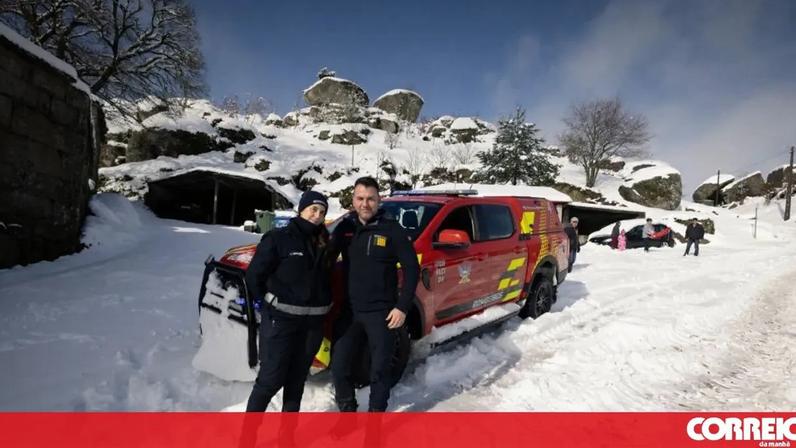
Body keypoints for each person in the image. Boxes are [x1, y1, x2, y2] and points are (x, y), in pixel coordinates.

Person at [328, 176, 420, 412]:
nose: (365, 204)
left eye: (370, 199)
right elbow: (324, 258)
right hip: (350, 312)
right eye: (360, 198)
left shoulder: (392, 230)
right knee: (339, 367)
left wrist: (402, 306)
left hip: (382, 313)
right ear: (353, 200)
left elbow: (411, 268)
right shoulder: (346, 228)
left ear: (379, 201)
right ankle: (347, 414)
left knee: (379, 372)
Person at [244, 190, 332, 412]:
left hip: (312, 326)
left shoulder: (324, 242)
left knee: (296, 381)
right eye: (313, 209)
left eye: (322, 212)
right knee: (269, 381)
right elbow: (254, 276)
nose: (317, 215)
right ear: (301, 209)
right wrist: (265, 304)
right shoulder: (278, 238)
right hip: (281, 322)